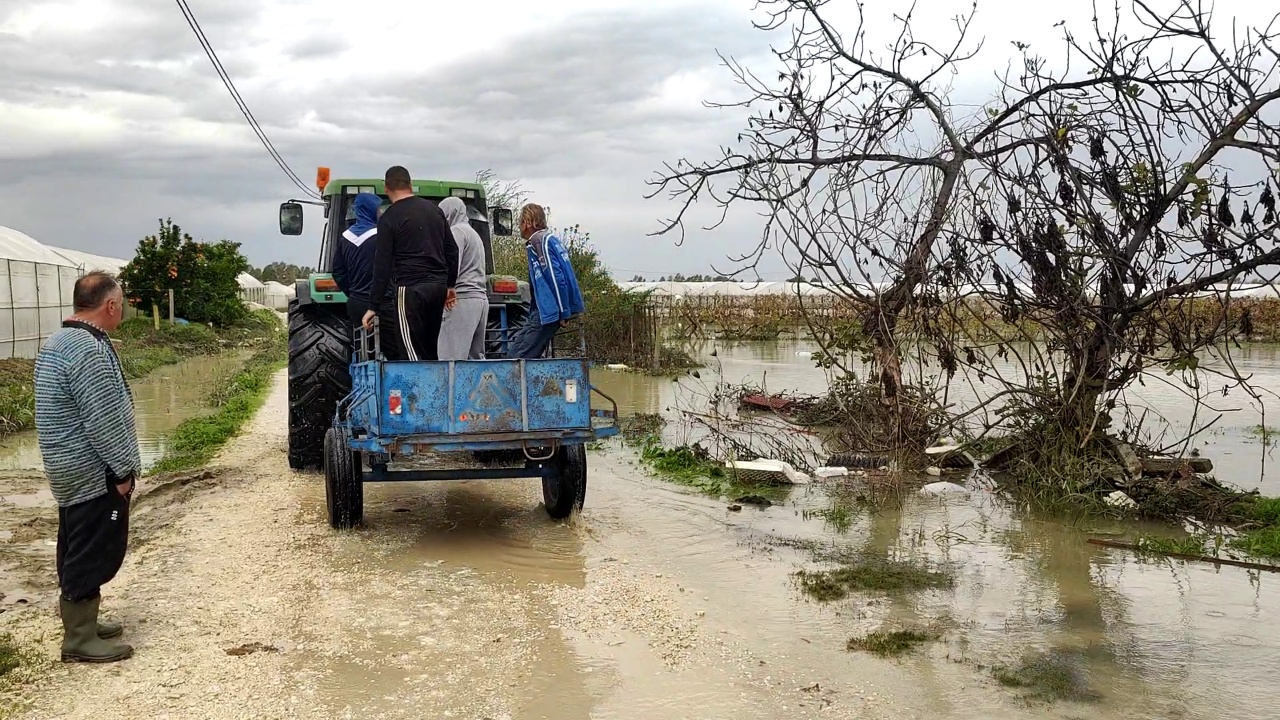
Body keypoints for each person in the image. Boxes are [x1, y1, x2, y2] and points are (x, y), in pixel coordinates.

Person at [34, 271, 139, 664]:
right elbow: (104, 420)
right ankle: (78, 638)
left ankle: (85, 621)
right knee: (93, 548)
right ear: (110, 306)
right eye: (122, 302)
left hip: (67, 466)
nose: (123, 308)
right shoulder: (88, 352)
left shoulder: (59, 341)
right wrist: (122, 472)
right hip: (92, 471)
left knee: (75, 541)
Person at [362, 166, 458, 361]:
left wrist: (373, 305)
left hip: (410, 290)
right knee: (430, 351)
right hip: (438, 288)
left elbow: (382, 265)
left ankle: (419, 391)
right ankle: (436, 390)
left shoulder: (389, 217)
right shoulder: (435, 211)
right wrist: (450, 285)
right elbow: (452, 250)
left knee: (411, 354)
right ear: (410, 184)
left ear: (386, 187)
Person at [508, 203, 585, 359]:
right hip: (545, 310)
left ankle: (515, 382)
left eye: (521, 222)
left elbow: (556, 278)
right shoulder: (550, 240)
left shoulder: (539, 241)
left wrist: (563, 312)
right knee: (522, 352)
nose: (520, 226)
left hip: (549, 310)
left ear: (528, 222)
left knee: (517, 357)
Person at [437, 196, 489, 361]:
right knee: (475, 360)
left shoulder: (456, 232)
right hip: (480, 301)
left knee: (451, 359)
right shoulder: (474, 234)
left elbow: (453, 265)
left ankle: (451, 388)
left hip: (461, 301)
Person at [331, 192, 384, 339]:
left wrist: (352, 291)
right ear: (370, 210)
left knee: (361, 346)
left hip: (356, 302)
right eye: (378, 209)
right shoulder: (381, 236)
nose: (380, 213)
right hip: (380, 303)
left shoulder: (345, 238)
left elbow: (338, 271)